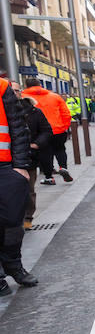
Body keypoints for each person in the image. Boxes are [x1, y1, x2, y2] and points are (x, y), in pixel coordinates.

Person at [0, 74, 36, 294]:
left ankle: (14, 265)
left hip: (5, 168)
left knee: (13, 222)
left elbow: (18, 127)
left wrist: (20, 166)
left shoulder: (2, 87)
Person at [21, 79, 72, 182]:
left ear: (26, 85)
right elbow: (66, 114)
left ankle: (49, 177)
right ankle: (63, 167)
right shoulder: (55, 96)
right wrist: (64, 127)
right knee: (60, 150)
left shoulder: (23, 97)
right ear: (40, 85)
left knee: (45, 154)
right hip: (57, 129)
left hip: (39, 132)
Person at [19, 95, 49, 230]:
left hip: (28, 156)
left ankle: (27, 219)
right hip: (6, 158)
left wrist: (36, 144)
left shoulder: (34, 111)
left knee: (28, 189)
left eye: (16, 90)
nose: (14, 93)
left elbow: (46, 131)